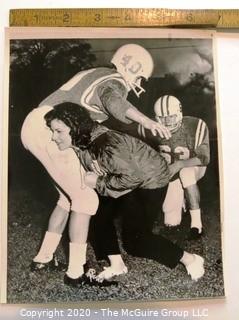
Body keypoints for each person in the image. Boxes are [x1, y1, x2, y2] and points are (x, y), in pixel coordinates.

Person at [21, 44, 171, 287]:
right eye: (140, 76)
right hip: (51, 130)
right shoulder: (113, 80)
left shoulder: (94, 72)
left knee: (66, 198)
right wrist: (145, 120)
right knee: (86, 199)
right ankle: (75, 272)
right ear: (132, 67)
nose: (139, 82)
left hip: (38, 124)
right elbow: (112, 100)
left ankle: (44, 257)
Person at [43, 102, 205, 284]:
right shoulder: (82, 139)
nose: (53, 137)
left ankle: (190, 259)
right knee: (96, 212)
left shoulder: (105, 143)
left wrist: (98, 182)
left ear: (75, 128)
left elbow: (131, 178)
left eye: (58, 131)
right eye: (52, 131)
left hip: (150, 180)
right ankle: (117, 264)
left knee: (136, 241)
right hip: (127, 177)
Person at [153, 95, 210, 240]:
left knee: (186, 173)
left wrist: (179, 164)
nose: (167, 122)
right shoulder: (149, 128)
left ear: (179, 114)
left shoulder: (195, 125)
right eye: (163, 118)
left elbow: (204, 158)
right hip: (170, 174)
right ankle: (184, 199)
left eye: (171, 117)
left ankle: (197, 225)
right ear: (156, 118)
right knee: (171, 222)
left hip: (193, 167)